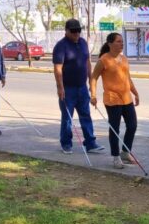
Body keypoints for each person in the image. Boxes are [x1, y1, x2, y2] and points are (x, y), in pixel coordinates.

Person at [54, 18, 104, 155]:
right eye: (73, 31)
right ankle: (66, 143)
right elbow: (58, 68)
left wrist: (90, 79)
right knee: (67, 118)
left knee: (86, 115)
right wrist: (60, 87)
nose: (77, 33)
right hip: (68, 89)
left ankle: (90, 143)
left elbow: (87, 62)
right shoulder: (61, 46)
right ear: (67, 31)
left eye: (78, 30)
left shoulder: (82, 43)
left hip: (81, 87)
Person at [90, 32, 139, 169]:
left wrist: (135, 93)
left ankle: (125, 151)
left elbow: (127, 78)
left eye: (122, 41)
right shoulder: (103, 60)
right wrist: (93, 95)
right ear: (110, 43)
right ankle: (116, 157)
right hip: (112, 100)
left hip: (126, 99)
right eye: (118, 41)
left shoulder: (124, 59)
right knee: (114, 128)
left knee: (133, 125)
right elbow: (93, 78)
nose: (121, 44)